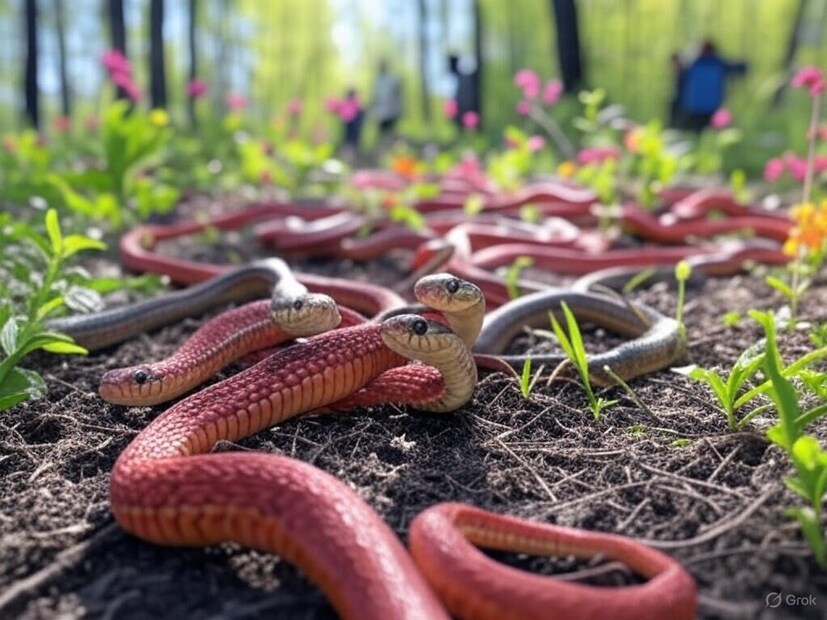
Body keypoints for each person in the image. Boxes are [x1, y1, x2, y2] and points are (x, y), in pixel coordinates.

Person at [672, 40, 747, 131]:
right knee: (709, 132)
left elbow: (680, 67)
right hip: (708, 108)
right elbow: (737, 68)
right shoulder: (718, 64)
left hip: (698, 108)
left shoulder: (693, 65)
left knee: (697, 131)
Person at [372, 59, 402, 143]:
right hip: (381, 113)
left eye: (382, 65)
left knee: (391, 131)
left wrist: (399, 108)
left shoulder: (392, 78)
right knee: (381, 132)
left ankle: (392, 146)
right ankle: (382, 146)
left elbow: (397, 93)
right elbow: (375, 96)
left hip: (391, 110)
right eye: (379, 66)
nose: (380, 67)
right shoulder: (377, 80)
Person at [339, 88, 363, 162]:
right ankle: (348, 156)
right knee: (351, 139)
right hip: (353, 124)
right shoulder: (355, 102)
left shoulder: (346, 102)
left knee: (348, 139)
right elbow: (360, 111)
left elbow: (342, 111)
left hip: (348, 123)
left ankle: (347, 155)